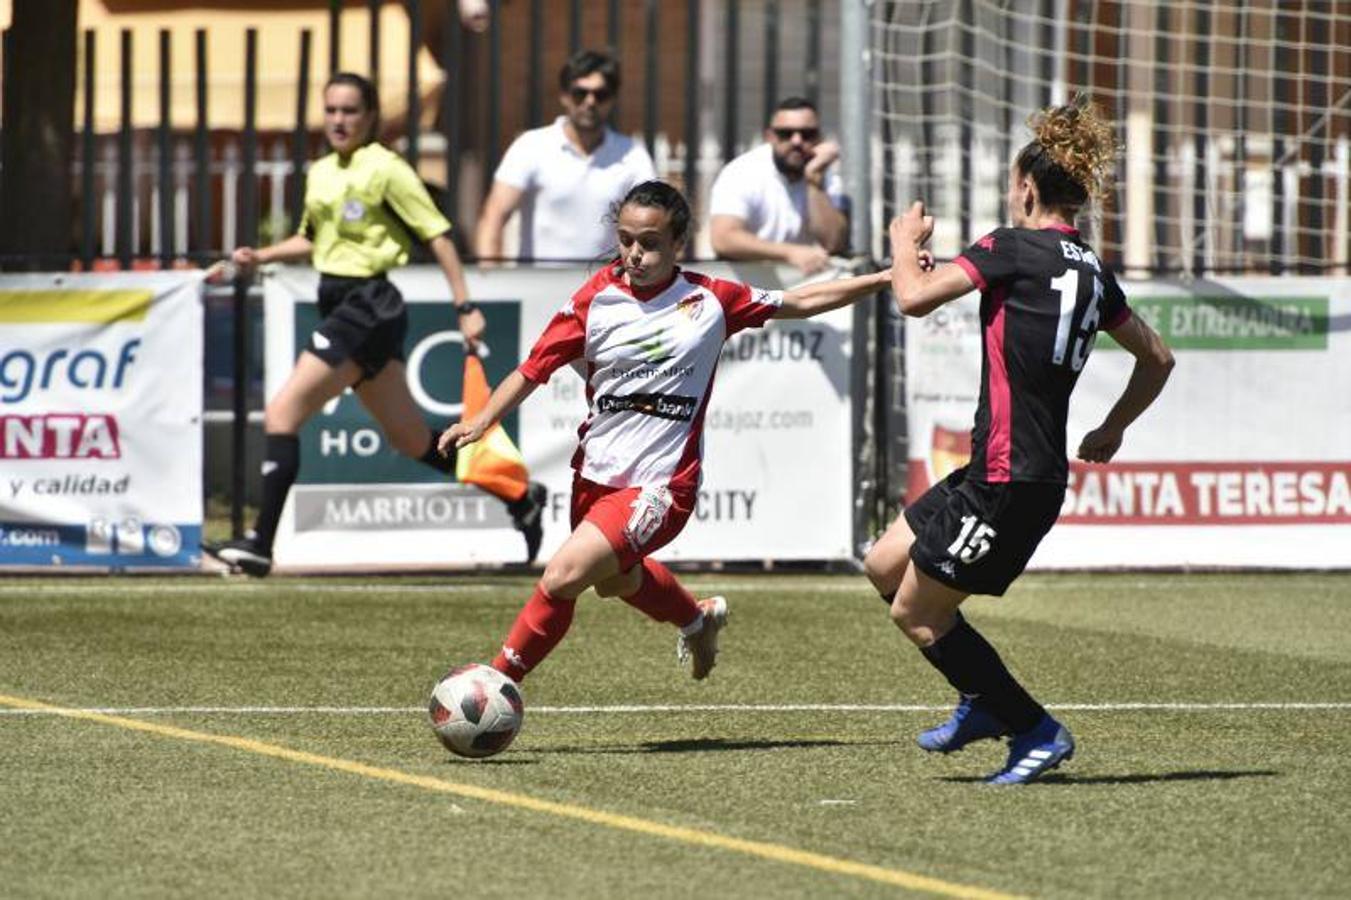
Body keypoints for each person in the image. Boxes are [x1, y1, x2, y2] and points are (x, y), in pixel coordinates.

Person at [439, 180, 890, 684]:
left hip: (662, 485)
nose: (635, 253)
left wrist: (886, 278)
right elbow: (533, 369)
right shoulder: (596, 301)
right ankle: (696, 620)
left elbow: (803, 301)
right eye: (626, 240)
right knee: (615, 583)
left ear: (678, 245)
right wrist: (481, 421)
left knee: (563, 576)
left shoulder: (712, 299)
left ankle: (494, 686)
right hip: (596, 473)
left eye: (650, 242)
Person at [864, 99, 1175, 784]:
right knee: (885, 564)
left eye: (1013, 184)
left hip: (1008, 479)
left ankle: (1033, 728)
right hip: (1005, 471)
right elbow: (1157, 357)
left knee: (915, 611)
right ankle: (980, 702)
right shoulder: (1091, 269)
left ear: (1026, 189)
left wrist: (901, 239)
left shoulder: (1008, 244)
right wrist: (1112, 426)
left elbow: (912, 299)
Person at [203, 72, 547, 577]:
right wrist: (262, 256)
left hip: (369, 305)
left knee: (281, 415)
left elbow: (440, 237)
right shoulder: (321, 171)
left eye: (350, 111)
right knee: (411, 440)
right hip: (342, 303)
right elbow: (313, 239)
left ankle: (260, 543)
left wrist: (465, 306)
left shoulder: (387, 169)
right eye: (332, 111)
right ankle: (521, 495)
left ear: (370, 118)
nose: (339, 120)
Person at [475, 49, 656, 263]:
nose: (590, 101)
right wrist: (492, 282)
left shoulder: (633, 154)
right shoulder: (531, 146)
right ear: (564, 96)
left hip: (606, 291)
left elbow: (655, 224)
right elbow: (493, 217)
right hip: (538, 289)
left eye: (601, 94)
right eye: (580, 93)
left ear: (612, 99)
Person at [708, 97, 850, 275]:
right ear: (770, 137)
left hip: (802, 283)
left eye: (807, 134)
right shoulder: (742, 171)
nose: (797, 141)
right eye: (786, 134)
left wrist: (814, 180)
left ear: (819, 138)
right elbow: (723, 239)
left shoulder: (825, 175)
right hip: (747, 286)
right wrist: (790, 253)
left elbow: (833, 243)